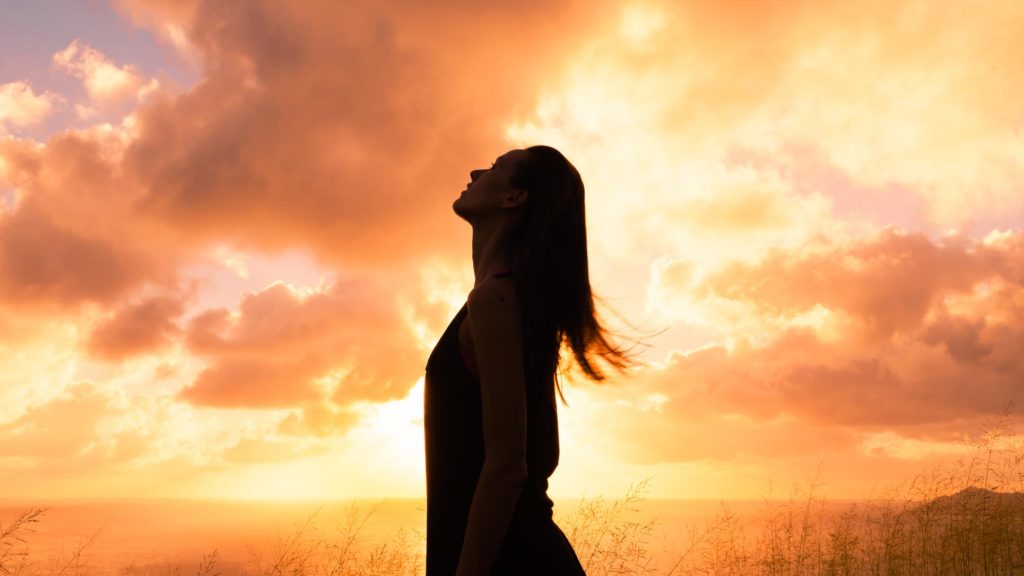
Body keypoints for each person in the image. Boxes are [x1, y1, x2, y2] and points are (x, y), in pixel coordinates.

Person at [424, 145, 641, 575]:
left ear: (514, 197)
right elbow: (544, 453)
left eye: (496, 167)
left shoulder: (496, 301)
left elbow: (509, 467)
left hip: (510, 561)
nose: (476, 171)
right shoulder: (512, 300)